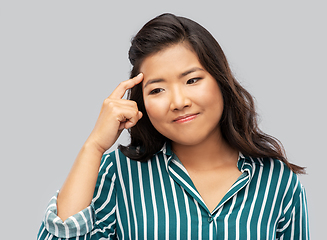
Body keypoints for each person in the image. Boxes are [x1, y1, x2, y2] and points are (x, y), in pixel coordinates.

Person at [37, 13, 309, 240]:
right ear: (141, 102)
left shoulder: (277, 181)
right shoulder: (117, 174)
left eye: (192, 80)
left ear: (220, 81)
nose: (178, 102)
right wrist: (93, 146)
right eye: (157, 90)